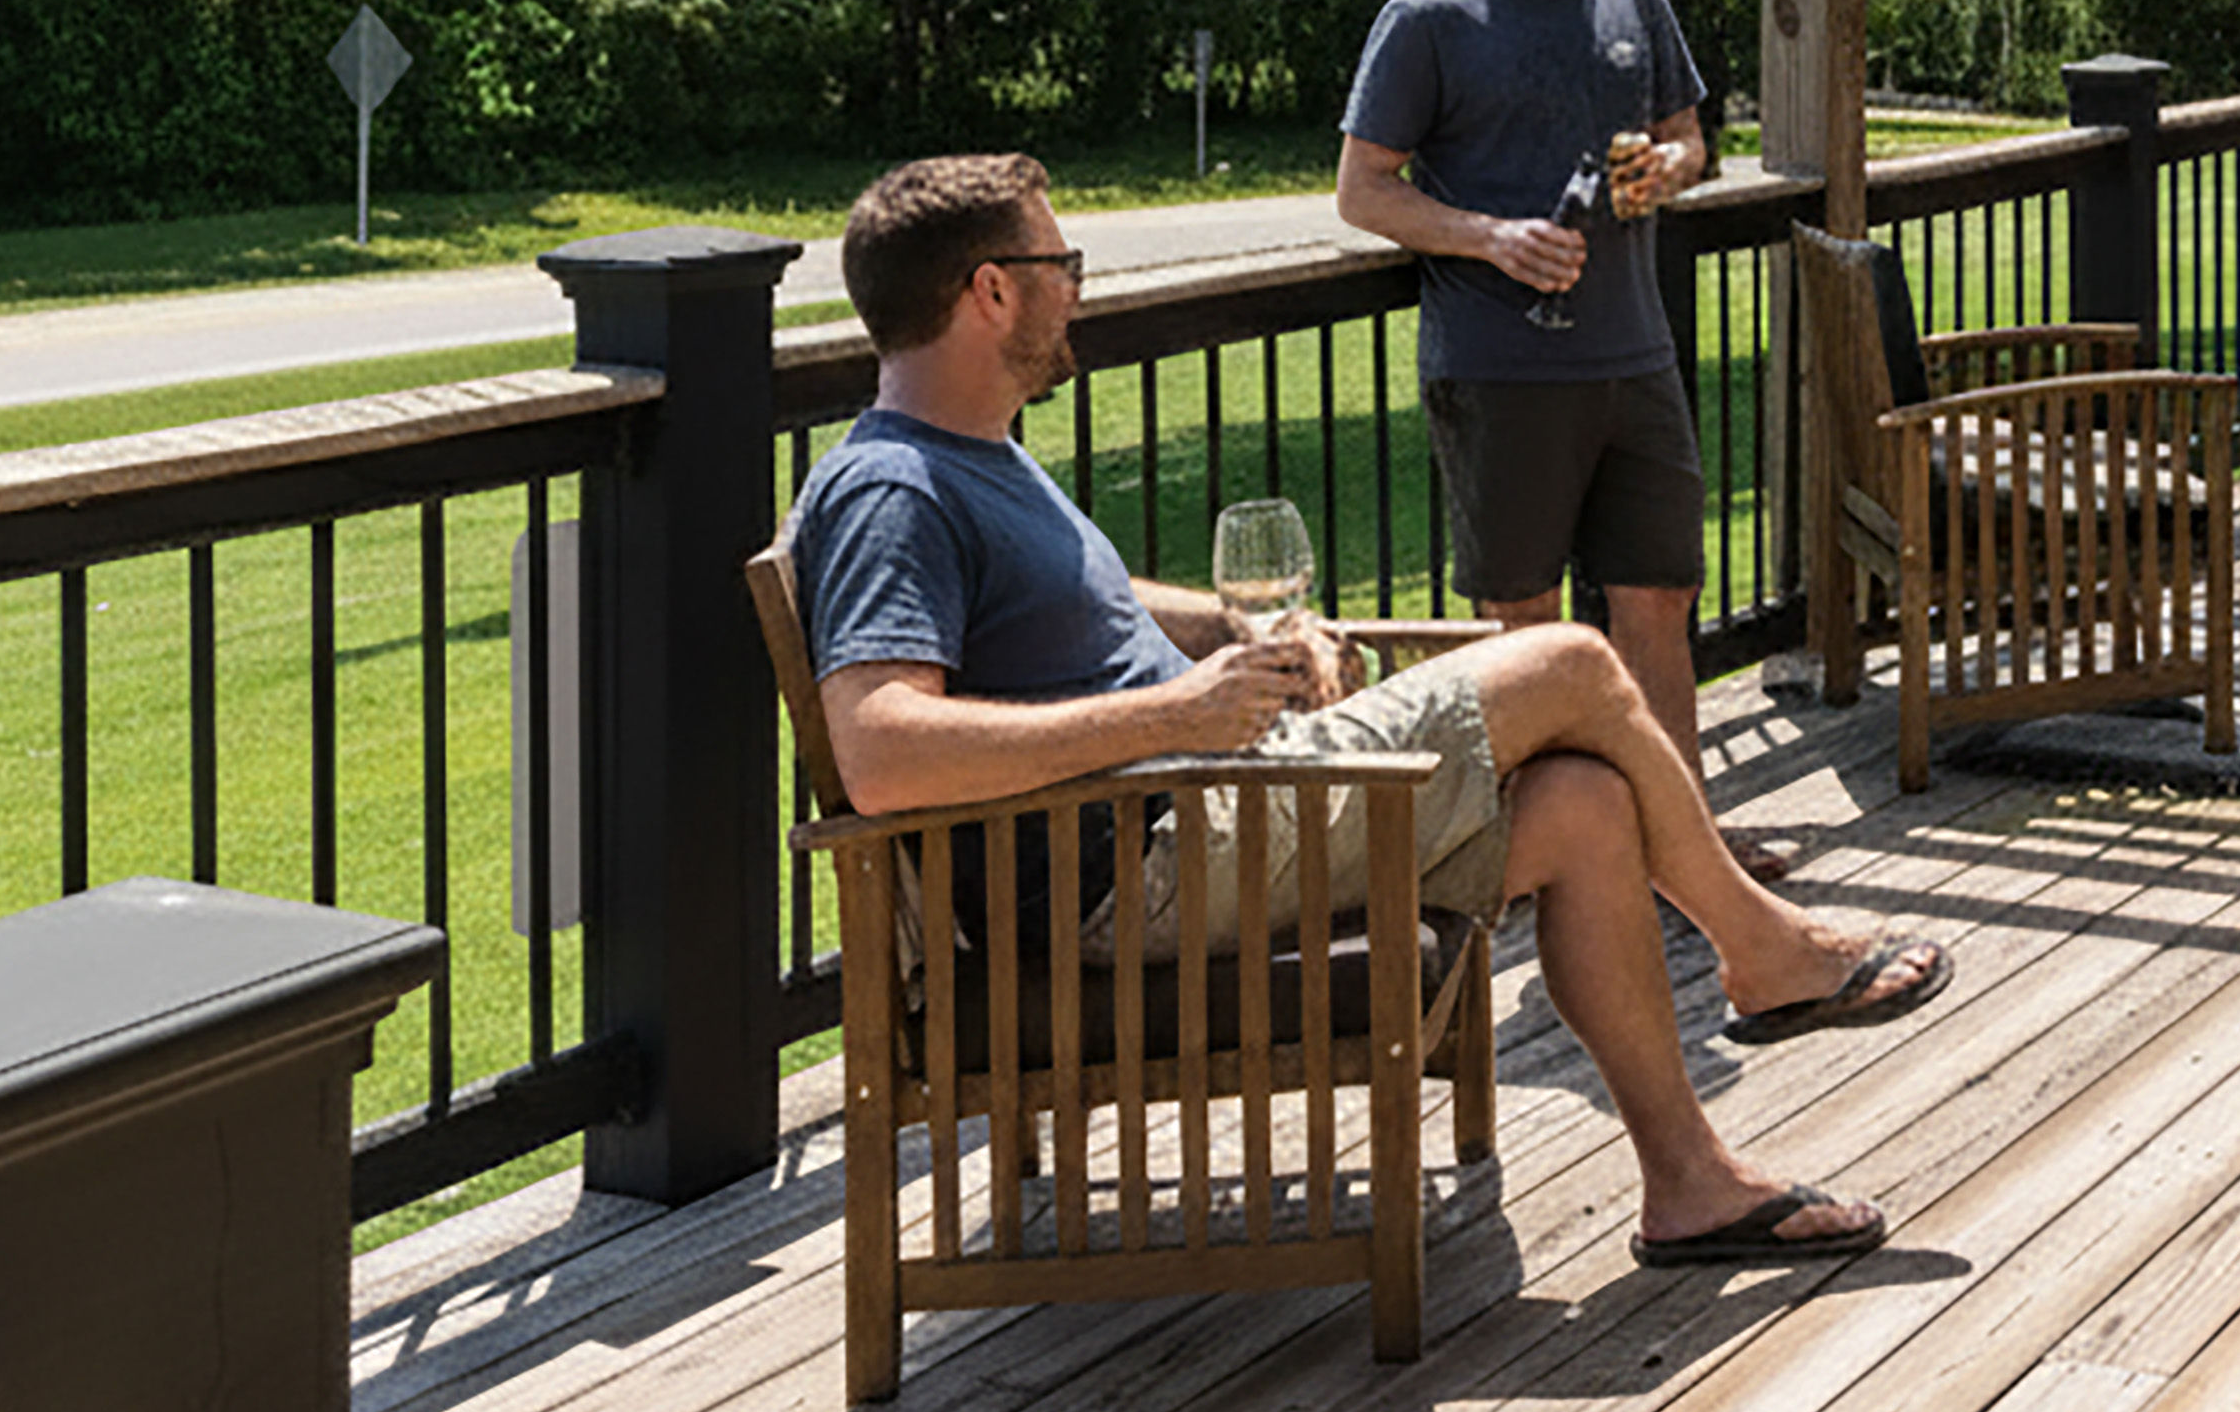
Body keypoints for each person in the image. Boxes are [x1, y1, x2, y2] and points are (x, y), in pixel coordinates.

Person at [788, 153, 1946, 1271]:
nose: (1078, 288)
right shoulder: (895, 488)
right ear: (991, 290)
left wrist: (1228, 628)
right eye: (1063, 263)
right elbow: (881, 745)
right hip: (1143, 866)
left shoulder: (966, 453)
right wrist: (1177, 713)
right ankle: (1763, 950)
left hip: (1195, 816)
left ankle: (1690, 1183)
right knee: (1571, 663)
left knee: (1583, 804)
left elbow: (1082, 605)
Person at [1335, 0, 1790, 883]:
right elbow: (1362, 189)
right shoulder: (1429, 19)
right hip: (1501, 368)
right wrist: (1490, 236)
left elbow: (1691, 138)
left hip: (1635, 354)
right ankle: (1536, 859)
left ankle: (1686, 850)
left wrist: (1670, 169)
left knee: (1660, 603)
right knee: (1525, 629)